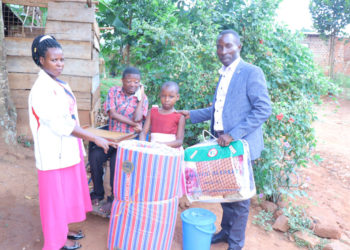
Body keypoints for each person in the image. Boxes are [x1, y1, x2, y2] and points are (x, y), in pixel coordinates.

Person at [181, 29, 272, 250]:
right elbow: (218, 109)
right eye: (220, 46)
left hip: (239, 146)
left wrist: (233, 134)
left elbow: (263, 109)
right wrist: (190, 115)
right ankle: (226, 232)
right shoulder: (224, 73)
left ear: (239, 47)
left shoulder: (251, 72)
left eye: (228, 46)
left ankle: (236, 244)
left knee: (239, 199)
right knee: (225, 191)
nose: (223, 51)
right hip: (222, 145)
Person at [29, 35, 117, 250]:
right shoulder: (41, 89)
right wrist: (94, 137)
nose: (59, 64)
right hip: (52, 154)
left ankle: (63, 230)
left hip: (66, 150)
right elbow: (60, 124)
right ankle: (57, 242)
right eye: (54, 60)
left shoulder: (58, 82)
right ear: (41, 60)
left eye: (62, 59)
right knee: (54, 202)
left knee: (64, 198)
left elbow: (69, 118)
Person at [89, 66, 148, 216]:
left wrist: (140, 99)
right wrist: (133, 125)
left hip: (127, 143)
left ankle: (112, 198)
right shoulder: (114, 92)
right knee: (95, 157)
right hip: (110, 138)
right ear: (123, 81)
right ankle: (97, 193)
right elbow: (112, 114)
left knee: (117, 163)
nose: (133, 85)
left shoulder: (142, 98)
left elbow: (138, 118)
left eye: (136, 82)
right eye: (129, 81)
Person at [139, 81, 189, 207]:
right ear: (159, 96)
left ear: (177, 97)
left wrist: (161, 145)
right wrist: (142, 145)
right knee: (152, 178)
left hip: (170, 152)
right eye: (163, 96)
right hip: (153, 151)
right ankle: (153, 202)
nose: (166, 99)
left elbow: (179, 141)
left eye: (171, 96)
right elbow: (144, 132)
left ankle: (167, 204)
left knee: (167, 180)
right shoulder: (153, 112)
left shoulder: (179, 117)